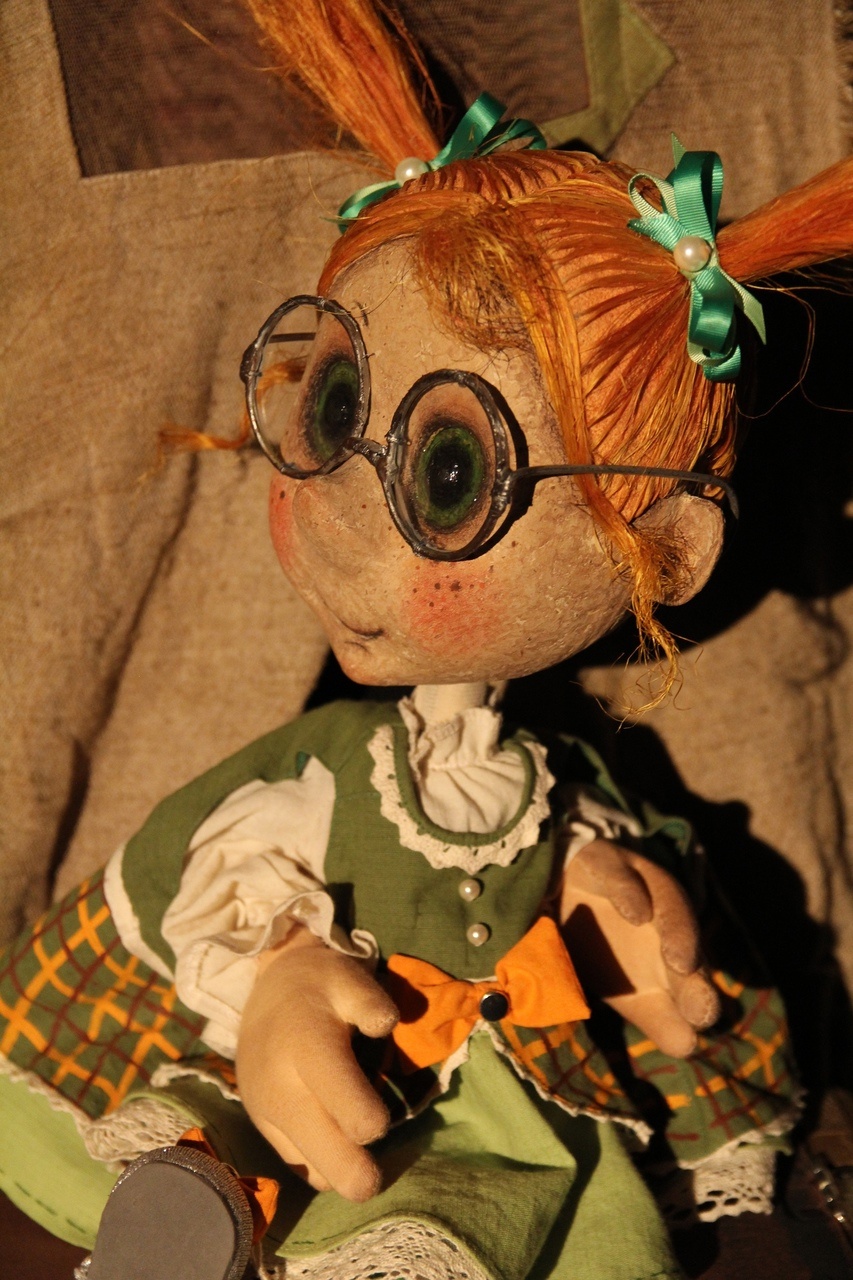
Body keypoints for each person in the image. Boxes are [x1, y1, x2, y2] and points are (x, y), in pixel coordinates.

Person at [2, 2, 852, 1277]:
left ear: (665, 551)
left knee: (509, 1189)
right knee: (249, 1103)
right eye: (335, 406)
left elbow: (595, 859)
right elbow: (229, 873)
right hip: (317, 1055)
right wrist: (281, 975)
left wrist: (610, 899)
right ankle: (206, 1184)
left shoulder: (559, 778)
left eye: (449, 473)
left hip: (492, 1075)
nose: (339, 508)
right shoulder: (328, 762)